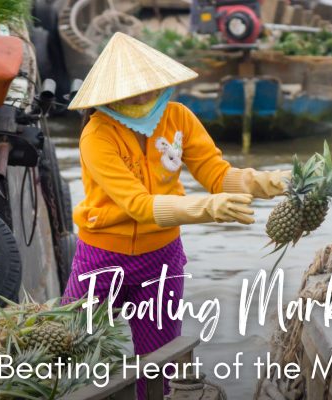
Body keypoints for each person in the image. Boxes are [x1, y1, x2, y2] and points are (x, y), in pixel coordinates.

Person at [64, 32, 290, 398]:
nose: (141, 98)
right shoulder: (97, 135)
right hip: (102, 258)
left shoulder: (178, 117)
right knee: (71, 349)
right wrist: (208, 209)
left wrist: (266, 182)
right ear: (109, 95)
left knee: (158, 364)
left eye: (147, 88)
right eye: (129, 92)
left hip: (161, 259)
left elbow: (216, 174)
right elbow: (137, 204)